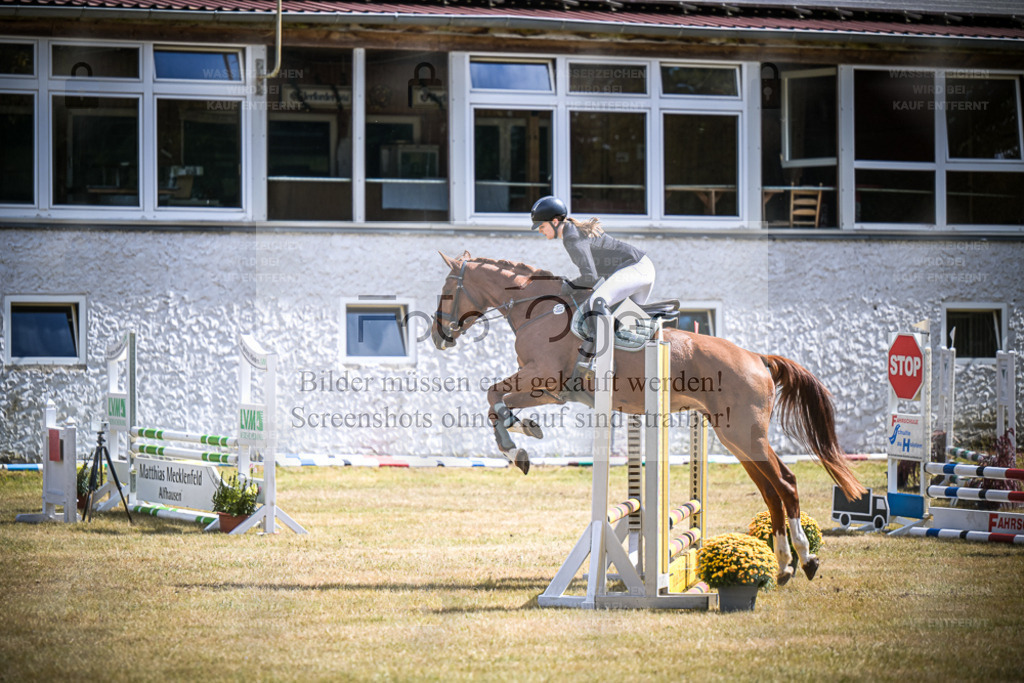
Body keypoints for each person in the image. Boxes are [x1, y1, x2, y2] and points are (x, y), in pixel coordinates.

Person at [530, 195, 655, 361]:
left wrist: (568, 287)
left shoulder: (572, 238)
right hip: (642, 269)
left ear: (554, 222)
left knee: (596, 302)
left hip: (636, 269)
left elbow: (590, 277)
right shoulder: (572, 232)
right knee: (625, 324)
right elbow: (593, 278)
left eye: (541, 226)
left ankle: (600, 360)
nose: (539, 230)